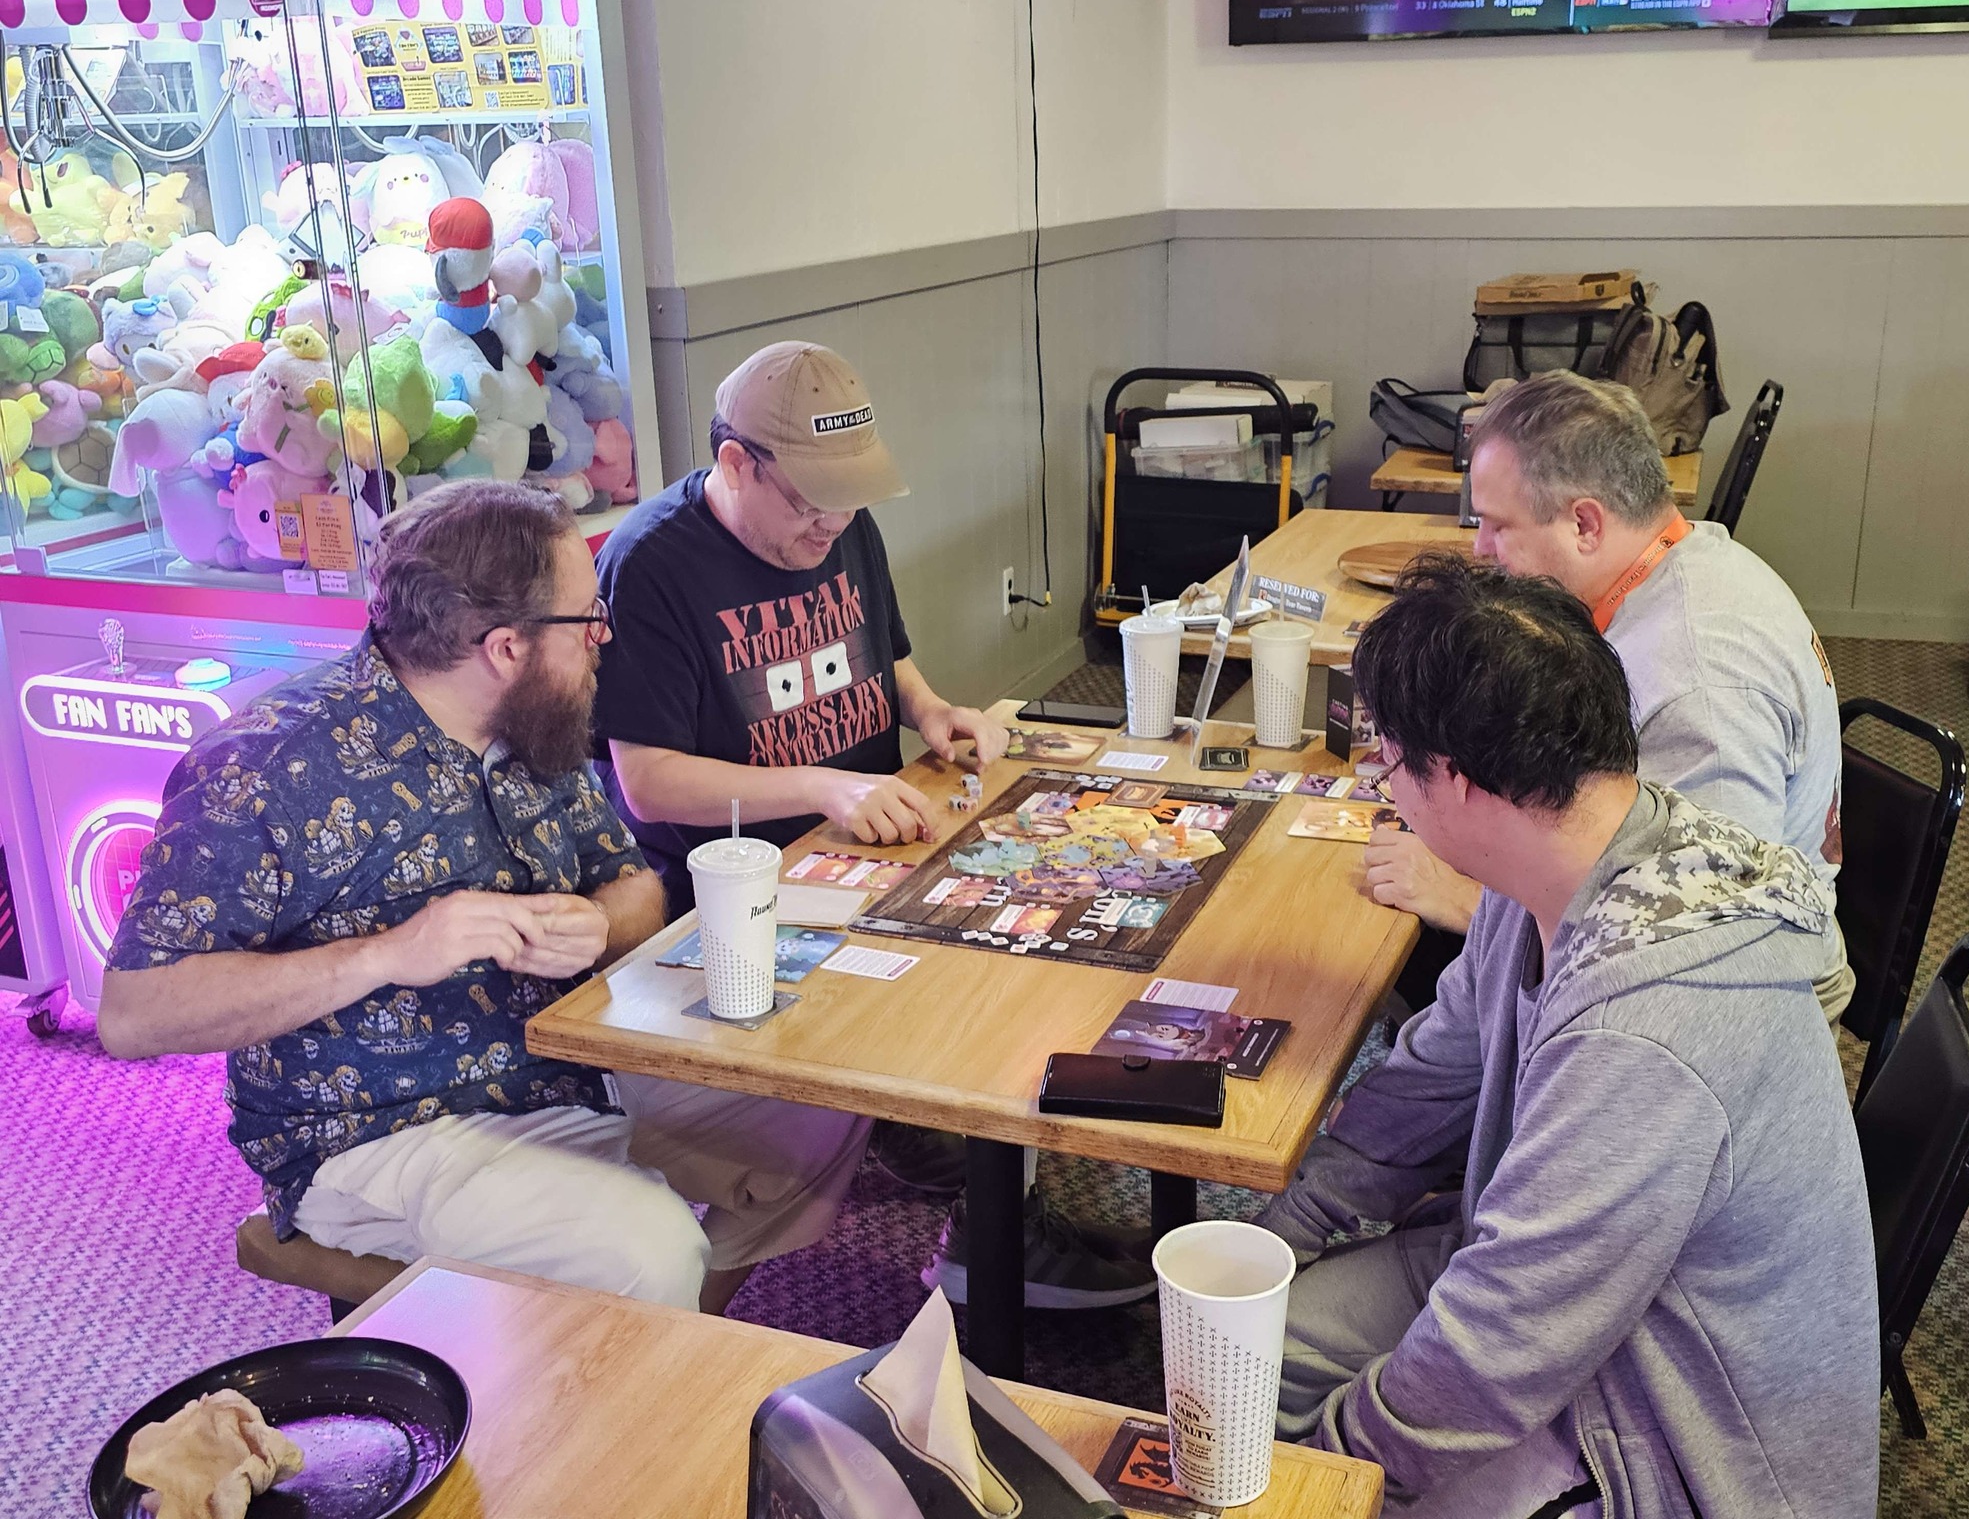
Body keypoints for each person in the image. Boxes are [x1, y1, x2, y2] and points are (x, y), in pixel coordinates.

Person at [98, 481, 868, 1316]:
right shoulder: (265, 768)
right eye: (589, 618)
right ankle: (636, 1328)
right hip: (373, 1131)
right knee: (649, 1251)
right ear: (505, 646)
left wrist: (599, 922)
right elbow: (135, 1016)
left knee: (827, 1099)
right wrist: (389, 954)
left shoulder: (533, 719)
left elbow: (636, 885)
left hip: (573, 1071)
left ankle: (665, 1335)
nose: (605, 636)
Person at [1261, 555, 1878, 1518]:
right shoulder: (1563, 855)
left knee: (1345, 1460)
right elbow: (1436, 1072)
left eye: (1389, 763)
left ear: (1455, 780)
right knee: (1255, 1353)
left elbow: (1498, 1346)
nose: (1384, 787)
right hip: (1574, 1304)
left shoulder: (1650, 1033)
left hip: (1682, 1436)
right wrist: (1275, 1238)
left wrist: (1328, 1477)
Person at [594, 341, 1154, 1310]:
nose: (832, 523)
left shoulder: (840, 520)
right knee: (983, 995)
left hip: (868, 847)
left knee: (1046, 942)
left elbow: (883, 658)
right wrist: (823, 787)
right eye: (809, 502)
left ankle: (971, 1188)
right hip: (741, 904)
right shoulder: (650, 565)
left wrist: (932, 711)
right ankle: (971, 1201)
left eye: (848, 501)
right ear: (735, 465)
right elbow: (647, 784)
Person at [1361, 371, 1851, 1018]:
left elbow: (1701, 937)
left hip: (1739, 1000)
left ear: (1585, 523)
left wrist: (1462, 900)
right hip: (1653, 943)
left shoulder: (1694, 684)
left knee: (1399, 961)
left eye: (1498, 525)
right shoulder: (1691, 559)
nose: (1480, 548)